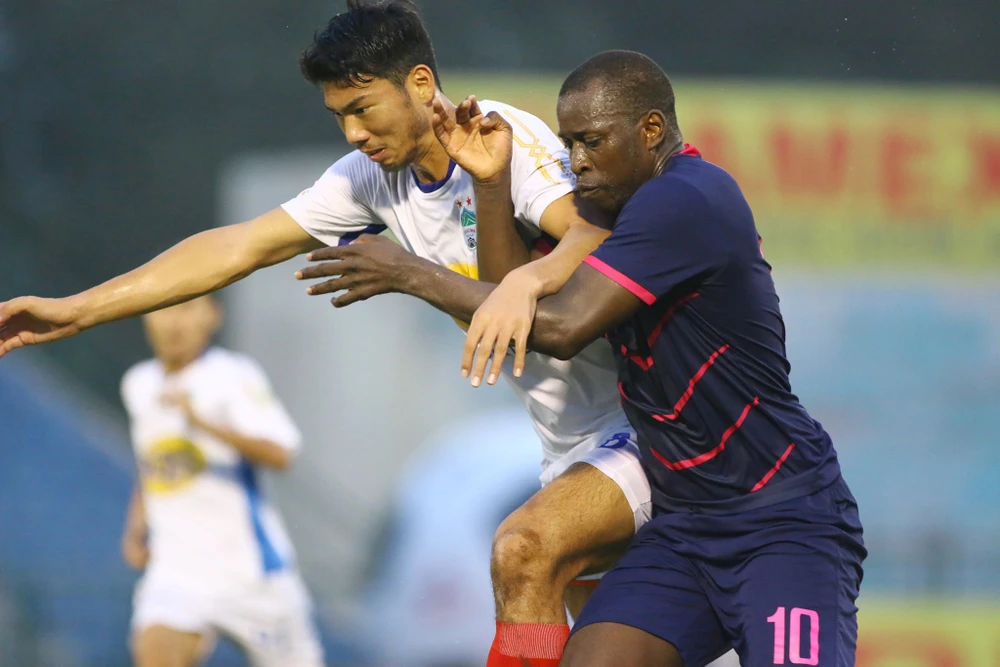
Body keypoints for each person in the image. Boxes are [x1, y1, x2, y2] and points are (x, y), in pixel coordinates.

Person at [0, 3, 653, 665]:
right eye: (339, 115)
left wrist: (520, 282)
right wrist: (76, 310)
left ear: (420, 84)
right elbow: (239, 246)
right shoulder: (370, 179)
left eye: (363, 109)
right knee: (610, 645)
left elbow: (596, 233)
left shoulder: (499, 134)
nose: (352, 133)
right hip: (565, 440)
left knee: (523, 549)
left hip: (644, 421)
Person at [311, 50, 866, 666]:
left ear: (650, 130)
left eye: (592, 141)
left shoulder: (687, 196)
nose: (576, 160)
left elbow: (562, 328)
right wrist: (492, 188)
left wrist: (411, 273)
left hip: (782, 520)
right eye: (569, 142)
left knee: (524, 545)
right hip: (685, 531)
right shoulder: (603, 211)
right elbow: (514, 295)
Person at [120, 295, 323, 667]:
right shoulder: (139, 383)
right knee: (156, 652)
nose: (172, 322)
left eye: (185, 308)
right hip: (177, 571)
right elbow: (154, 464)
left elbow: (282, 453)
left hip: (252, 576)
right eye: (162, 309)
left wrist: (203, 423)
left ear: (212, 316)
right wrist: (136, 527)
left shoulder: (232, 375)